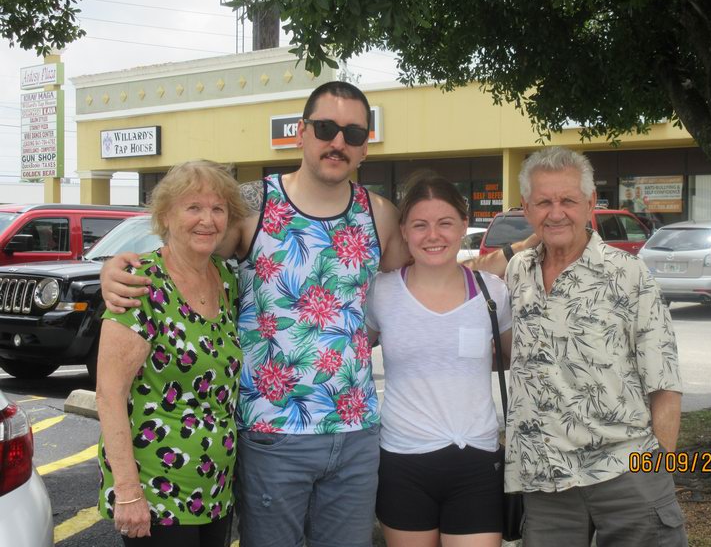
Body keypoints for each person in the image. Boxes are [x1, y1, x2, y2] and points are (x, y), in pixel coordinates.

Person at [99, 81, 535, 547]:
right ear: (302, 132)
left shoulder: (379, 215)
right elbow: (186, 246)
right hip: (272, 435)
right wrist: (117, 266)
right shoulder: (253, 204)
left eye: (353, 133)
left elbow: (436, 267)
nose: (338, 142)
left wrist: (525, 248)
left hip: (356, 437)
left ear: (365, 147)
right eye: (326, 128)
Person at [504, 146, 687, 546]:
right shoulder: (519, 271)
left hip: (626, 473)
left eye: (568, 201)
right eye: (544, 202)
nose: (556, 213)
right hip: (545, 481)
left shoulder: (628, 274)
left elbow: (664, 382)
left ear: (590, 204)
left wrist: (659, 471)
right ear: (526, 209)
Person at [95, 160, 249, 546]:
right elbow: (109, 394)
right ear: (165, 216)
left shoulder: (226, 279)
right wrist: (127, 491)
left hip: (215, 488)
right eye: (193, 207)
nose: (207, 220)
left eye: (217, 209)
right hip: (156, 491)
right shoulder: (140, 285)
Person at [366, 171, 512, 547]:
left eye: (445, 223)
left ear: (464, 225)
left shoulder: (493, 294)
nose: (433, 235)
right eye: (420, 225)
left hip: (477, 461)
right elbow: (347, 357)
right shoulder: (380, 292)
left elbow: (512, 357)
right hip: (403, 461)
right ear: (403, 231)